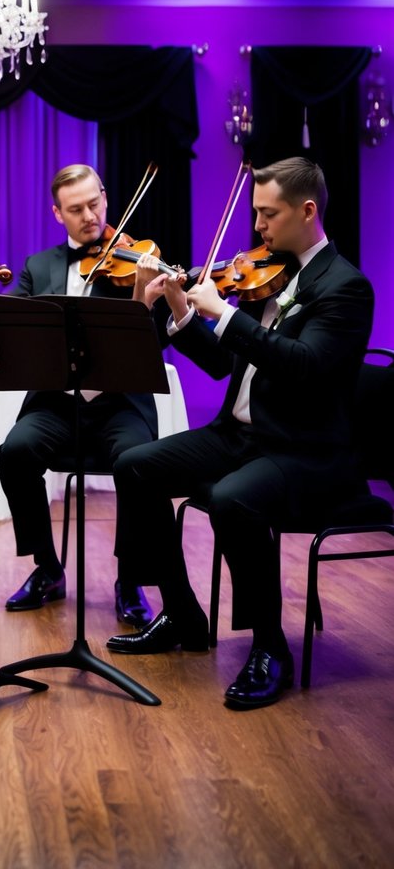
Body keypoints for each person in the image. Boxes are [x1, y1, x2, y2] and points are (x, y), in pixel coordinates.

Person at [107, 157, 374, 711]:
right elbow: (224, 365)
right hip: (242, 436)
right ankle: (182, 615)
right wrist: (183, 307)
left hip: (306, 450)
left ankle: (270, 648)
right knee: (134, 465)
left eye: (267, 214)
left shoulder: (345, 287)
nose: (256, 227)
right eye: (254, 212)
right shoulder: (267, 273)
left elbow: (303, 365)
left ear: (307, 211)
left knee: (232, 501)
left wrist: (226, 316)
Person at [0, 163, 162, 625]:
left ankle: (129, 578)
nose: (89, 215)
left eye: (95, 203)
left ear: (106, 199)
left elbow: (158, 345)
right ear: (57, 213)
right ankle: (47, 569)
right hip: (56, 401)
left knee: (139, 460)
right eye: (76, 209)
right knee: (14, 452)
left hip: (119, 402)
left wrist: (142, 300)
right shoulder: (37, 266)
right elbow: (20, 344)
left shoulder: (135, 261)